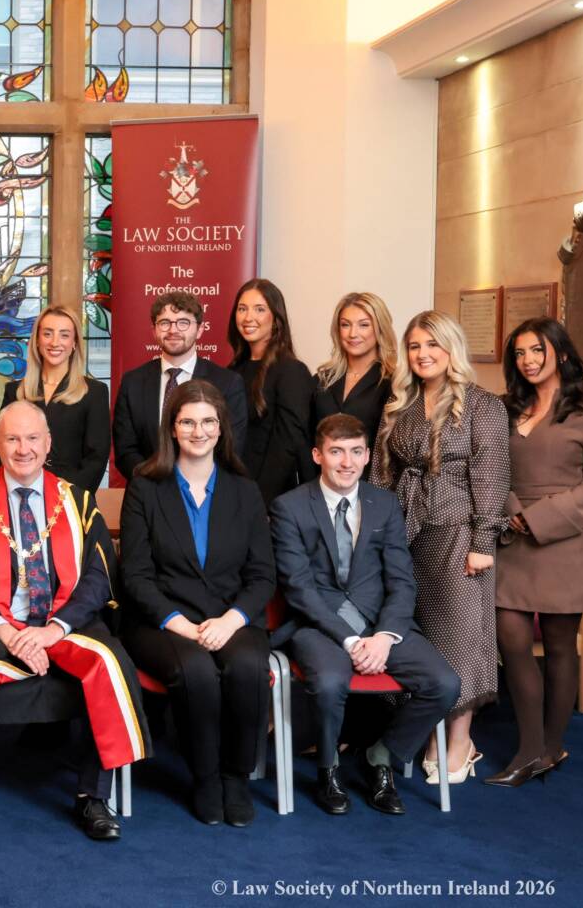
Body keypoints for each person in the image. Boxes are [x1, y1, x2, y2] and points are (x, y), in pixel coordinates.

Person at [0, 400, 149, 842]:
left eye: (32, 438)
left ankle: (94, 796)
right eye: (12, 439)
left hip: (62, 620)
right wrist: (5, 630)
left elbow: (98, 576)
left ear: (48, 443)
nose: (23, 449)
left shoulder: (79, 501)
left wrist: (55, 630)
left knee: (111, 661)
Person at [269, 413, 459, 816]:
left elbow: (402, 580)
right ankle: (328, 770)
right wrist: (351, 640)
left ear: (368, 455)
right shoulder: (289, 507)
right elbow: (298, 588)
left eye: (356, 452)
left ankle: (381, 757)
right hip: (318, 624)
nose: (347, 462)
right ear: (317, 455)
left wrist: (385, 636)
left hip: (380, 624)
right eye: (336, 452)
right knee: (329, 682)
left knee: (444, 683)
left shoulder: (384, 504)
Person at [118, 380, 273, 827]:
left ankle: (236, 777)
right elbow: (136, 576)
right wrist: (181, 624)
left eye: (208, 421)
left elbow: (263, 575)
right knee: (196, 670)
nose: (198, 431)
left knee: (247, 666)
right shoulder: (145, 487)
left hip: (231, 617)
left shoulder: (245, 490)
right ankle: (205, 777)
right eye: (187, 422)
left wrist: (231, 620)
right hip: (162, 621)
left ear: (222, 428)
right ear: (172, 427)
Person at [372, 310, 510, 785]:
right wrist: (377, 536)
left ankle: (459, 742)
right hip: (408, 534)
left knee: (460, 639)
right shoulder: (401, 404)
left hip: (459, 537)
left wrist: (483, 540)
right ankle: (429, 732)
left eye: (433, 344)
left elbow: (491, 475)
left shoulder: (482, 405)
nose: (422, 354)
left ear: (452, 349)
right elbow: (381, 474)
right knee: (423, 638)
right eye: (414, 346)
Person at [488, 318, 583, 786]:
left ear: (560, 353)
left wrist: (541, 518)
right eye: (520, 353)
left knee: (562, 647)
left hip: (565, 541)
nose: (527, 361)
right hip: (513, 538)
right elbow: (490, 466)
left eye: (537, 350)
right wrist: (513, 510)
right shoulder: (505, 408)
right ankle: (529, 749)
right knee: (512, 640)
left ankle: (551, 747)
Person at [112, 291, 248, 479]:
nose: (173, 330)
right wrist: (154, 485)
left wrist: (192, 485)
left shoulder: (228, 383)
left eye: (183, 322)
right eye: (164, 323)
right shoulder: (132, 382)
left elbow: (231, 449)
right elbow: (125, 451)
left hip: (206, 492)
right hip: (147, 490)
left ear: (199, 329)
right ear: (154, 330)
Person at [0, 304, 111, 496]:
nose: (55, 342)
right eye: (47, 334)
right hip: (21, 496)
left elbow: (96, 458)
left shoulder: (94, 392)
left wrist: (66, 498)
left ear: (74, 343)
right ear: (37, 340)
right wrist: (20, 491)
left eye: (64, 335)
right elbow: (0, 448)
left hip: (72, 497)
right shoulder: (14, 391)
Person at [228, 278, 315, 503]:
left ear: (276, 319)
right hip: (232, 490)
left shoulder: (291, 371)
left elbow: (287, 445)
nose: (248, 317)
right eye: (242, 309)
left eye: (259, 309)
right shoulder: (231, 372)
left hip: (270, 499)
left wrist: (260, 500)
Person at [312, 292, 398, 459]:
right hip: (322, 474)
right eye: (345, 325)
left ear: (380, 329)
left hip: (370, 475)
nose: (353, 334)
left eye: (364, 325)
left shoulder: (393, 383)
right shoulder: (321, 380)